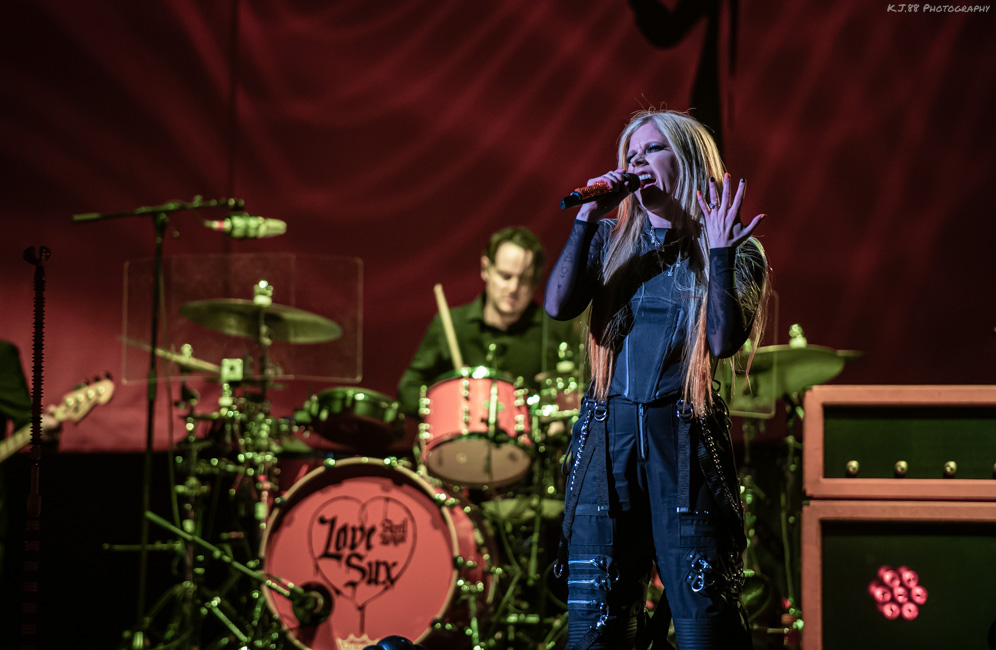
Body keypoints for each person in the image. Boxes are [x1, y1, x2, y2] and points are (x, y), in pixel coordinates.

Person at [545, 109, 769, 649]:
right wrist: (585, 221)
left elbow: (721, 341)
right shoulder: (610, 241)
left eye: (651, 151)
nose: (637, 163)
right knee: (598, 629)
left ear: (688, 161)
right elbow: (557, 305)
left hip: (684, 444)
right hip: (607, 442)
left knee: (701, 628)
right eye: (631, 155)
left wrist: (717, 252)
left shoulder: (736, 251)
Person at [397, 226, 580, 417]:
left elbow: (581, 390)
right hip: (462, 443)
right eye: (505, 276)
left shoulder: (556, 328)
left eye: (524, 279)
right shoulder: (452, 323)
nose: (513, 287)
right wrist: (445, 409)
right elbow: (408, 388)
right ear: (485, 269)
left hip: (532, 444)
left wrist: (561, 418)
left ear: (535, 281)